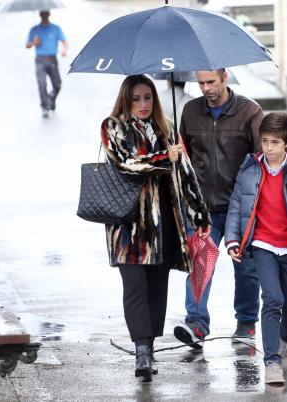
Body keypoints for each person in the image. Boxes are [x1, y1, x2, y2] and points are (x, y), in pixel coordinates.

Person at [101, 75, 211, 382]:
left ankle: (148, 346)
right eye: (136, 99)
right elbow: (127, 164)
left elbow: (186, 174)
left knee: (156, 289)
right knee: (135, 287)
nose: (143, 104)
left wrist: (200, 215)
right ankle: (142, 354)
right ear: (126, 100)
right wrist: (165, 157)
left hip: (164, 225)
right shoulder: (113, 127)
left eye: (147, 97)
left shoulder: (166, 128)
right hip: (130, 228)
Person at [225, 112, 287, 385]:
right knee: (272, 300)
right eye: (265, 141)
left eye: (275, 142)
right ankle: (271, 361)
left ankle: (286, 339)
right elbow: (237, 206)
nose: (268, 148)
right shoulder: (249, 169)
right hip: (262, 245)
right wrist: (233, 240)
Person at [174, 69, 264, 348]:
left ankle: (247, 323)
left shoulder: (250, 111)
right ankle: (197, 324)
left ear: (224, 77)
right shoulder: (189, 111)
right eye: (201, 83)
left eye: (211, 81)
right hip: (201, 206)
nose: (206, 88)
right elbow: (184, 157)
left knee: (247, 268)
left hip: (241, 206)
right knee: (200, 266)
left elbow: (262, 157)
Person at [25, 10, 69, 118]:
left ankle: (51, 99)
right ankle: (45, 106)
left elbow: (65, 41)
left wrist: (64, 49)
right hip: (40, 60)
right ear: (40, 15)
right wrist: (33, 43)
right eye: (42, 13)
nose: (45, 15)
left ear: (49, 14)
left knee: (57, 84)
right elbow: (27, 45)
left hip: (52, 60)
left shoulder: (55, 28)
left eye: (46, 13)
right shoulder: (34, 30)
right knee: (42, 83)